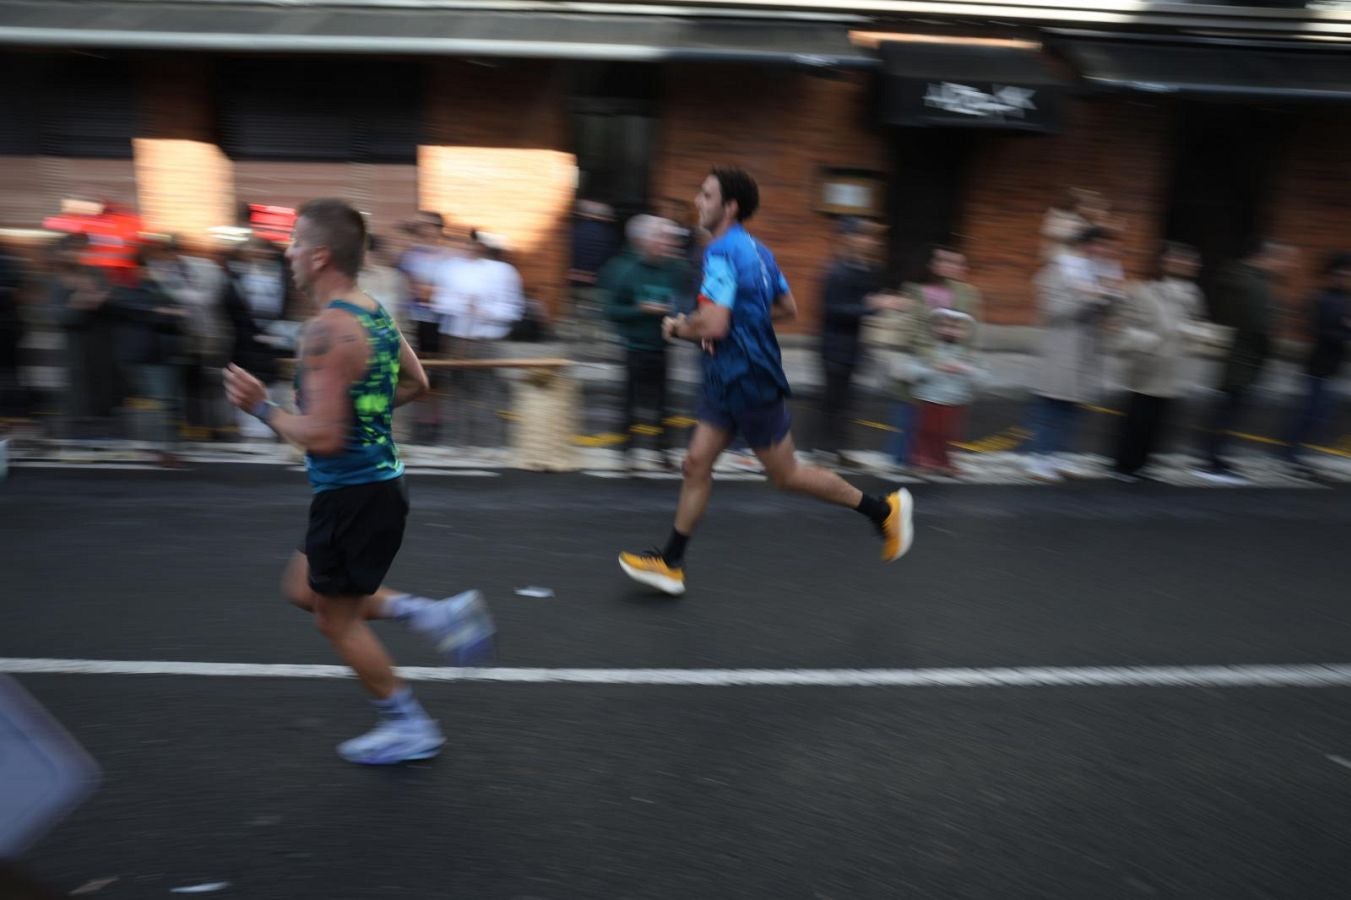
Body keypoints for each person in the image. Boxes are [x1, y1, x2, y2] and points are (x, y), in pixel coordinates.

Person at [223, 199, 495, 766]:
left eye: (295, 241)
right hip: (378, 488)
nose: (288, 252)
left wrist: (261, 407)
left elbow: (321, 436)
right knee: (302, 587)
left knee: (333, 618)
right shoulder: (374, 312)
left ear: (321, 256)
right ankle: (436, 615)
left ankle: (410, 725)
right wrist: (360, 412)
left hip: (353, 496)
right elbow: (418, 383)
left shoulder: (326, 331)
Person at [617, 167, 913, 597]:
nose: (698, 202)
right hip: (727, 377)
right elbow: (787, 307)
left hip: (747, 378)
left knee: (787, 474)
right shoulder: (758, 251)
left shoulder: (719, 253)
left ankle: (883, 510)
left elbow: (714, 325)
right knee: (696, 463)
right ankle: (671, 563)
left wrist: (679, 328)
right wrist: (739, 325)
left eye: (706, 195)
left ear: (729, 206)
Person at [1025, 226, 1125, 482]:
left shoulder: (1100, 274)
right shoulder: (1059, 269)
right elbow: (1052, 311)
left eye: (1106, 247)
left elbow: (1105, 315)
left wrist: (1112, 298)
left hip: (1088, 351)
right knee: (1051, 405)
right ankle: (1039, 458)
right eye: (1098, 245)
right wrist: (1088, 298)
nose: (1103, 252)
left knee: (1074, 408)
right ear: (1085, 245)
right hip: (1063, 348)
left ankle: (1060, 456)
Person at [1195, 240, 1299, 483]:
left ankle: (1214, 456)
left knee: (1225, 410)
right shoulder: (1255, 284)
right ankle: (1212, 459)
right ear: (1266, 258)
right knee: (1227, 411)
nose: (1286, 266)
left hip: (1237, 354)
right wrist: (1271, 339)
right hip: (1245, 357)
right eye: (1283, 260)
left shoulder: (1241, 278)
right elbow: (1260, 325)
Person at [1109, 242, 1208, 480]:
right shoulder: (1144, 290)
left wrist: (1196, 336)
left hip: (1174, 366)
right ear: (1164, 263)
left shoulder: (1194, 295)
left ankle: (1143, 464)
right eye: (1178, 260)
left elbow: (1198, 325)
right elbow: (1122, 326)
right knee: (1138, 419)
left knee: (1158, 422)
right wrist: (1149, 341)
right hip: (1148, 364)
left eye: (1189, 261)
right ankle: (1125, 465)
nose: (1185, 265)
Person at [600, 214, 689, 471]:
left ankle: (662, 451)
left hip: (662, 346)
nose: (667, 242)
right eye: (661, 237)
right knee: (630, 402)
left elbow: (685, 301)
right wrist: (641, 309)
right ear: (645, 241)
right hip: (634, 347)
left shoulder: (676, 270)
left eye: (668, 238)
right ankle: (627, 453)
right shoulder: (626, 269)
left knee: (663, 403)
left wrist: (679, 317)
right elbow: (611, 310)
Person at [816, 217, 886, 465]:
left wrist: (878, 306)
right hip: (835, 348)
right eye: (863, 235)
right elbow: (834, 309)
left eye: (870, 236)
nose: (869, 241)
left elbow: (864, 303)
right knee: (833, 402)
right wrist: (870, 306)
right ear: (847, 238)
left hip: (852, 348)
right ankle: (825, 451)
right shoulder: (834, 271)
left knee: (847, 403)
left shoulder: (862, 269)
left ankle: (838, 451)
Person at [1280, 250, 1350, 474]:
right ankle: (1290, 453)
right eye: (1342, 273)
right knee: (1311, 411)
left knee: (1320, 413)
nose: (1345, 278)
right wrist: (1344, 330)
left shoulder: (1345, 300)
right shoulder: (1319, 298)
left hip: (1332, 365)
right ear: (1332, 274)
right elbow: (1311, 328)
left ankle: (1293, 451)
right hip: (1317, 365)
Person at [905, 309, 981, 477]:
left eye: (956, 328)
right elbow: (911, 370)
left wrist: (967, 369)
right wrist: (931, 368)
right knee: (927, 431)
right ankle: (923, 459)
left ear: (966, 332)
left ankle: (945, 461)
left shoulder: (968, 354)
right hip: (929, 398)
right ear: (935, 328)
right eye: (945, 326)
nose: (950, 331)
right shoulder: (927, 350)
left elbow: (984, 377)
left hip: (955, 400)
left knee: (949, 434)